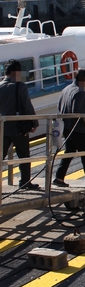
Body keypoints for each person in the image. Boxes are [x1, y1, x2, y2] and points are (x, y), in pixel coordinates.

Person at [53, 68, 85, 187]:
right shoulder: (79, 91)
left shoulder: (66, 89)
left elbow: (59, 106)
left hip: (66, 127)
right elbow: (78, 112)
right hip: (77, 129)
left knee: (69, 152)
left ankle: (59, 177)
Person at [0, 60, 39, 190]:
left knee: (1, 155)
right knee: (23, 154)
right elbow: (27, 106)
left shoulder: (0, 86)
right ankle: (25, 181)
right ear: (15, 72)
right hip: (18, 127)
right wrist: (34, 123)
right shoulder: (20, 86)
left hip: (3, 127)